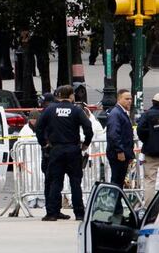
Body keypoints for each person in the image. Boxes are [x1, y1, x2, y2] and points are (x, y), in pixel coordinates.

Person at [36, 85, 93, 221]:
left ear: (58, 96)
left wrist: (44, 143)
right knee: (75, 182)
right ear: (71, 96)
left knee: (55, 181)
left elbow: (39, 127)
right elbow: (88, 127)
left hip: (56, 150)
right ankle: (79, 213)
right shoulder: (76, 110)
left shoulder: (50, 109)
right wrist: (86, 143)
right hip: (73, 150)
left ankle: (52, 212)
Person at [106, 89, 134, 189]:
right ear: (119, 99)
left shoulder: (121, 112)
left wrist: (129, 154)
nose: (129, 101)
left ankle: (117, 204)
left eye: (130, 99)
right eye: (126, 99)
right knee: (117, 182)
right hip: (117, 154)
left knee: (119, 181)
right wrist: (120, 151)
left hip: (122, 152)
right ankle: (114, 204)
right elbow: (114, 134)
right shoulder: (116, 113)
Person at [137, 93, 159, 206]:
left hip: (151, 152)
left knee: (150, 180)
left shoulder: (147, 114)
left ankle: (149, 207)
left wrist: (148, 140)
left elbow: (140, 129)